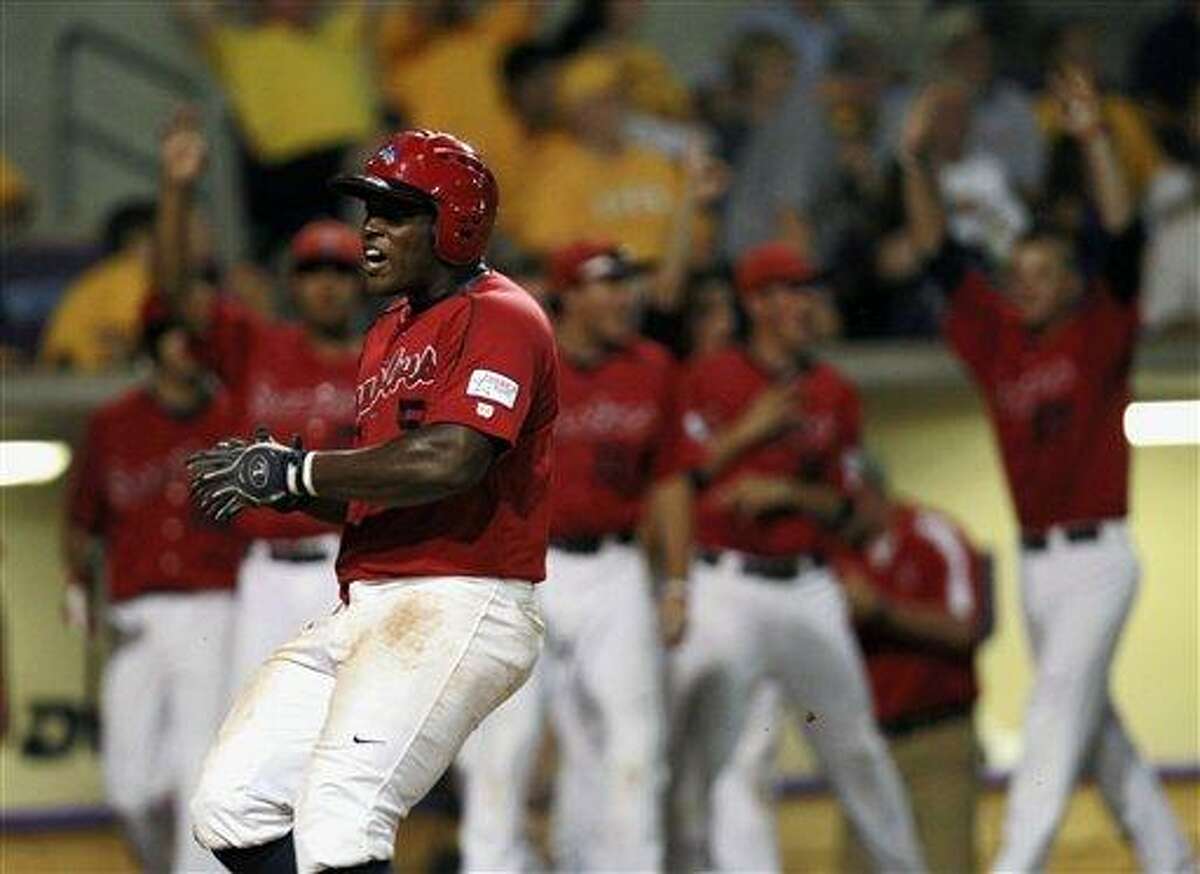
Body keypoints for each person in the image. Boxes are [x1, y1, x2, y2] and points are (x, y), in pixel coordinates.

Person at [186, 130, 558, 874]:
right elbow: (379, 496)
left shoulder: (503, 315)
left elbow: (454, 458)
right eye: (369, 213)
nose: (371, 232)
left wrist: (303, 473)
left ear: (453, 223)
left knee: (341, 820)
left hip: (463, 595)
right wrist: (289, 486)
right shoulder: (388, 331)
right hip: (374, 598)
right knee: (231, 805)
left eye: (394, 214)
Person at [900, 68, 1196, 872]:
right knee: (1096, 732)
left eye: (1043, 274)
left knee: (1056, 712)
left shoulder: (1099, 326)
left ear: (1071, 283)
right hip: (1038, 567)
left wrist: (1095, 135)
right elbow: (939, 258)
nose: (1025, 284)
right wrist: (914, 164)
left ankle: (1017, 862)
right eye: (1018, 273)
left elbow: (1125, 236)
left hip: (1100, 558)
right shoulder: (1001, 337)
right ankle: (1173, 858)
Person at [657, 241, 924, 872]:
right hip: (723, 581)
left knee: (857, 749)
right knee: (731, 761)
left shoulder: (834, 390)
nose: (808, 304)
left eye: (811, 291)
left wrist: (790, 492)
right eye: (792, 291)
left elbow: (856, 513)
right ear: (757, 303)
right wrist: (747, 431)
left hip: (808, 586)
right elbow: (674, 486)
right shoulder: (708, 377)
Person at [457, 240, 684, 871]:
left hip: (614, 570)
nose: (623, 296)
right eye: (604, 284)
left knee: (635, 744)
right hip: (524, 567)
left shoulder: (653, 366)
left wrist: (678, 583)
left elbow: (669, 479)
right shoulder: (517, 362)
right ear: (567, 296)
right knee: (508, 744)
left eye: (625, 283)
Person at [153, 110, 365, 689]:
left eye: (342, 271)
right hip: (265, 573)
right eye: (312, 270)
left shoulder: (391, 357)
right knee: (255, 741)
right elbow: (176, 293)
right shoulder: (256, 346)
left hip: (350, 568)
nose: (327, 283)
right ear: (291, 283)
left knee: (346, 741)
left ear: (363, 282)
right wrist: (176, 189)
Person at [62, 297, 247, 874]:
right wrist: (74, 585)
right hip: (136, 616)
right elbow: (81, 519)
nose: (183, 346)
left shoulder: (234, 418)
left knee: (202, 772)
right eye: (169, 333)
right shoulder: (113, 423)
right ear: (151, 344)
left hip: (216, 609)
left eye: (191, 334)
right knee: (128, 786)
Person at [835, 456, 989, 874]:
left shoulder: (932, 536)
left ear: (870, 493)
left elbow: (966, 626)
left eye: (845, 501)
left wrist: (882, 611)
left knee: (945, 863)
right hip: (867, 745)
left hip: (936, 739)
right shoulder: (835, 555)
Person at [176, 0, 377, 262]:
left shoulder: (340, 34)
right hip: (283, 173)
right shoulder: (239, 46)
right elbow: (191, 9)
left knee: (383, 159)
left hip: (349, 162)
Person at [40, 200, 157, 371]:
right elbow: (116, 339)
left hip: (71, 374)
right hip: (80, 377)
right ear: (136, 241)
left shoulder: (110, 274)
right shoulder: (128, 274)